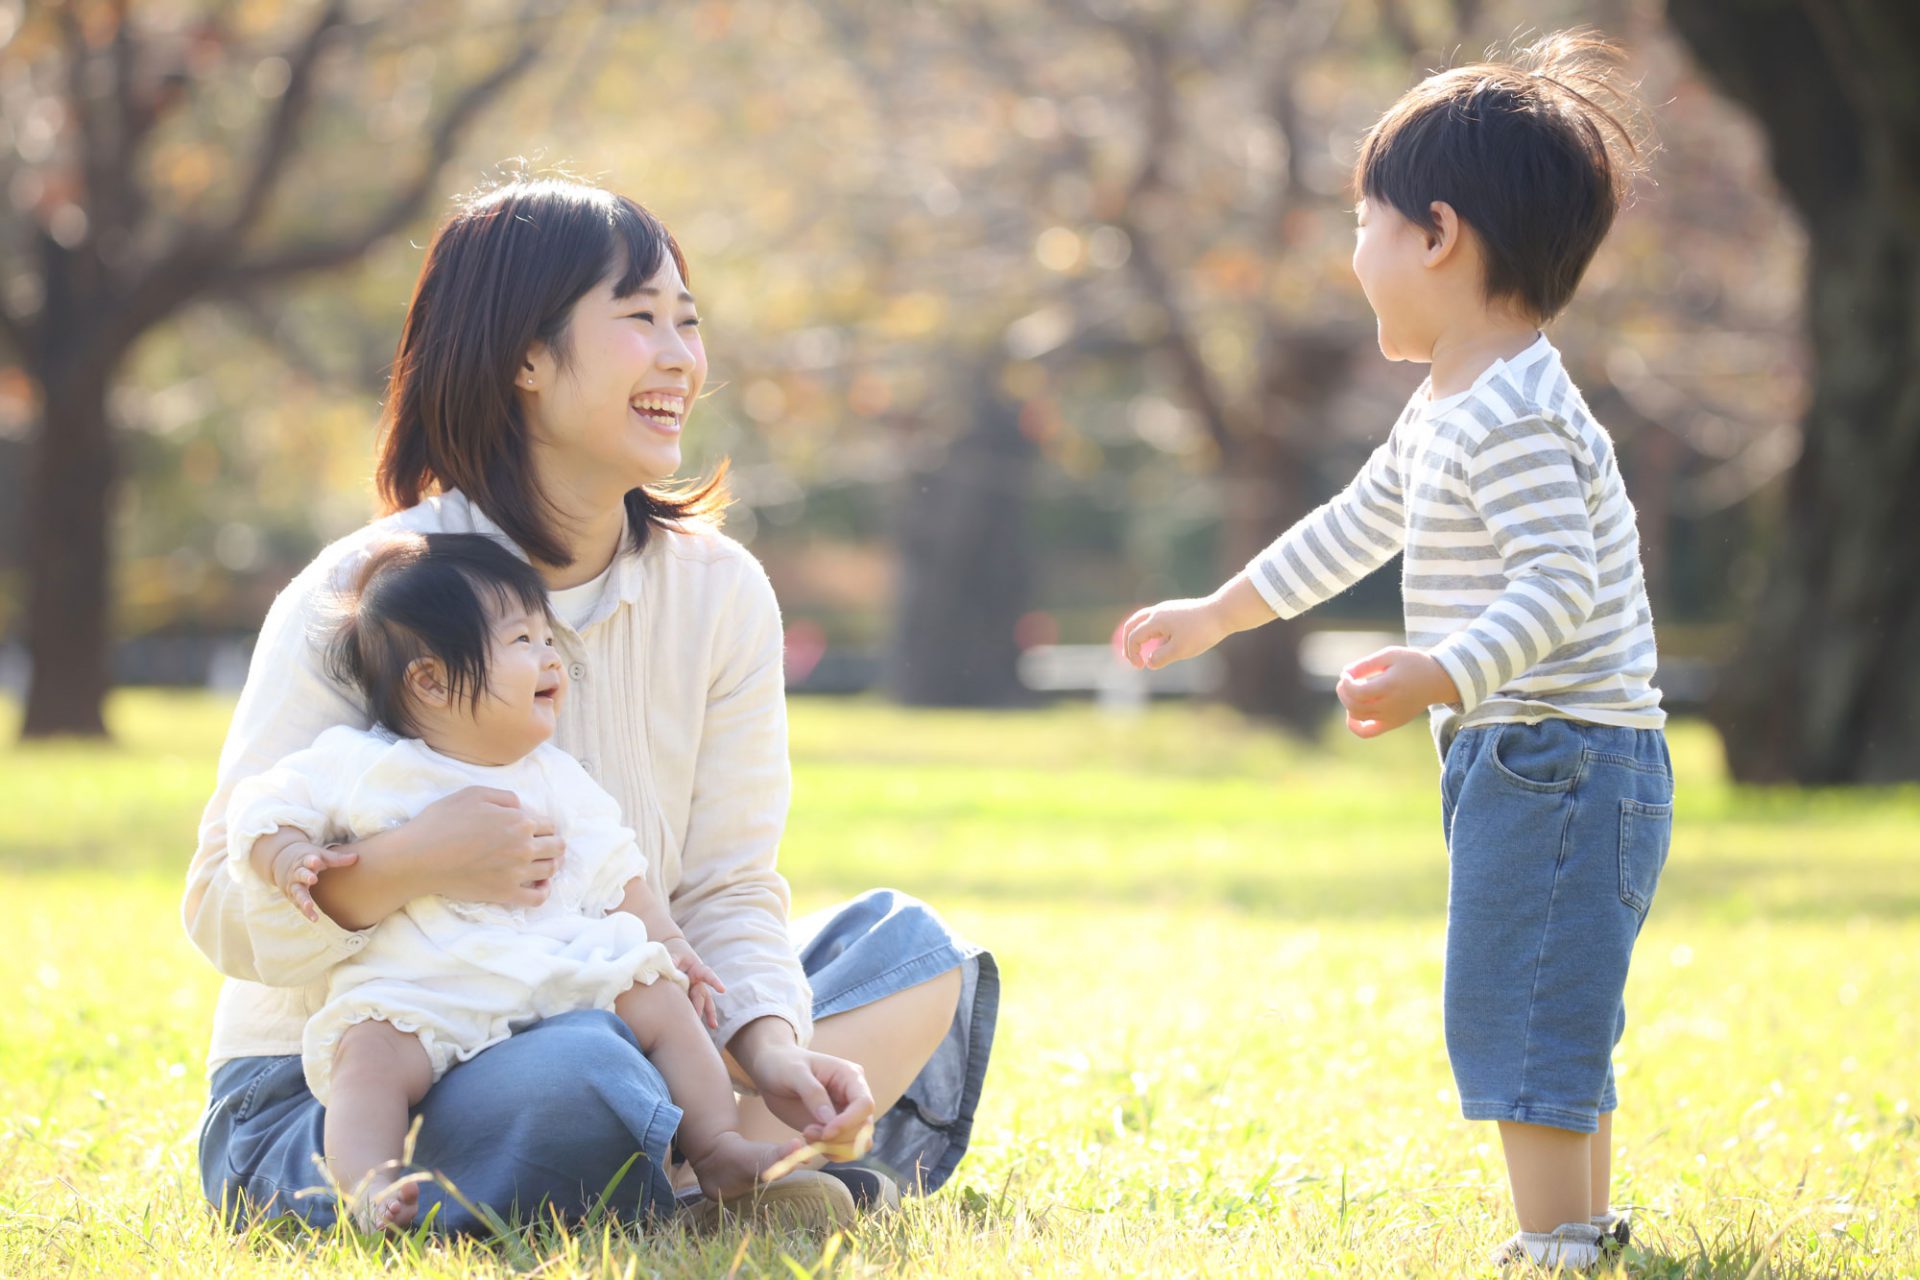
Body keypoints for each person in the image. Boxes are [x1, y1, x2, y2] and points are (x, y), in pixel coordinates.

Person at [185, 174, 998, 1233]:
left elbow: (727, 886)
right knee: (574, 1071)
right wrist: (405, 865)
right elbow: (219, 905)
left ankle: (701, 1158)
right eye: (640, 319)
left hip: (622, 1001)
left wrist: (771, 1045)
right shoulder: (373, 595)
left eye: (688, 322)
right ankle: (692, 1170)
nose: (680, 357)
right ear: (525, 356)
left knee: (908, 952)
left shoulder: (719, 591)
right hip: (357, 1083)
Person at [1121, 32, 1670, 1271]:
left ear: (1436, 236)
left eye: (1361, 223)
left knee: (1523, 997)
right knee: (1550, 991)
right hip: (1536, 754)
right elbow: (1352, 526)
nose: (1353, 252)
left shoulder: (1515, 412)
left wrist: (1444, 668)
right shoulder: (1450, 404)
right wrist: (1221, 610)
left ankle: (1556, 1238)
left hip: (1561, 752)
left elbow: (1560, 584)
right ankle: (1581, 1224)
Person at [227, 532, 807, 1229]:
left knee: (661, 997)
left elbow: (619, 876)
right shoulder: (361, 764)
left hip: (555, 977)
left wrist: (675, 948)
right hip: (424, 991)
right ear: (431, 681)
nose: (550, 657)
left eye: (547, 637)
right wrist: (288, 854)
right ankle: (371, 1188)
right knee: (367, 1058)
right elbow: (261, 807)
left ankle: (716, 1149)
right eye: (523, 641)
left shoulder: (556, 777)